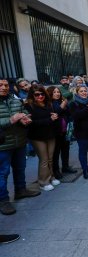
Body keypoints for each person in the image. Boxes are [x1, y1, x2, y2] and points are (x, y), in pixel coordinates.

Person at [0, 78, 40, 215]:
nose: (4, 87)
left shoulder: (15, 100)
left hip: (20, 141)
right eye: (0, 85)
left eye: (6, 85)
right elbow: (11, 119)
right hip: (3, 145)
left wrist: (25, 120)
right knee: (3, 173)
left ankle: (21, 190)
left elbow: (23, 112)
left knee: (20, 168)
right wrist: (11, 119)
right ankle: (3, 200)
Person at [25, 85, 61, 191]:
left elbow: (53, 117)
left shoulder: (48, 103)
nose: (40, 96)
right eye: (37, 94)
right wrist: (50, 119)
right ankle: (43, 182)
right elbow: (31, 123)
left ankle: (51, 177)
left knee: (50, 158)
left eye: (42, 94)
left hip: (50, 134)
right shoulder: (28, 106)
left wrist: (55, 117)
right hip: (37, 137)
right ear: (32, 95)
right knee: (44, 159)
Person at [49, 86, 77, 179]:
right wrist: (63, 105)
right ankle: (56, 170)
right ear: (50, 94)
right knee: (56, 153)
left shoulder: (62, 101)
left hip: (65, 130)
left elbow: (69, 113)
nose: (57, 94)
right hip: (56, 132)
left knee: (66, 150)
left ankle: (65, 167)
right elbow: (56, 112)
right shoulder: (49, 104)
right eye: (54, 92)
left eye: (58, 92)